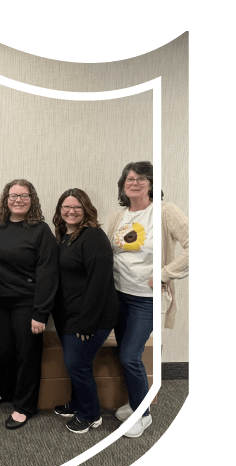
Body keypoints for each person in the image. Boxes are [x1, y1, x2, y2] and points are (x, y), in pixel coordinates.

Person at [108, 161, 189, 438]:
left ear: (152, 184)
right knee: (125, 354)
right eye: (129, 178)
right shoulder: (120, 216)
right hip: (120, 296)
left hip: (146, 299)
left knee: (130, 356)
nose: (135, 182)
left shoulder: (165, 211)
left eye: (142, 178)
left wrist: (166, 273)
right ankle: (135, 402)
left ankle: (143, 414)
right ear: (123, 185)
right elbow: (110, 253)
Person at [0, 179, 58, 430]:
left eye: (23, 196)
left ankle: (25, 406)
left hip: (28, 304)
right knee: (2, 351)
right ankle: (6, 391)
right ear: (6, 199)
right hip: (1, 303)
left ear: (32, 199)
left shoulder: (40, 230)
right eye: (13, 195)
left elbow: (48, 274)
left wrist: (41, 313)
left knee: (27, 356)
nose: (18, 200)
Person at [52, 189, 119, 433]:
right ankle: (79, 402)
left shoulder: (93, 237)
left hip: (91, 317)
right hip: (69, 314)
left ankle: (90, 415)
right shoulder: (65, 235)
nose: (71, 211)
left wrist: (87, 322)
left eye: (76, 207)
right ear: (60, 210)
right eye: (66, 207)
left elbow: (99, 283)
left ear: (86, 209)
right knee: (76, 364)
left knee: (77, 364)